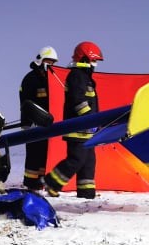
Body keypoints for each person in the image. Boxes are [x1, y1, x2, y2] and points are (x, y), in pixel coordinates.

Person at [44, 41, 103, 199]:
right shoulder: (77, 76)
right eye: (93, 60)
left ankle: (86, 194)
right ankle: (51, 183)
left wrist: (96, 122)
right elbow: (78, 101)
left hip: (88, 130)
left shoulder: (85, 77)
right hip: (78, 129)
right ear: (84, 59)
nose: (95, 64)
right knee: (77, 159)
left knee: (89, 162)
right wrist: (90, 119)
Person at [18, 46, 58, 191]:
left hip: (47, 124)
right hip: (32, 124)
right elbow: (26, 104)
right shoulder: (30, 79)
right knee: (34, 155)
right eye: (48, 61)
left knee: (43, 154)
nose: (51, 64)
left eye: (53, 62)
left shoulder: (51, 79)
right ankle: (30, 183)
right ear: (40, 60)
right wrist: (28, 123)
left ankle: (40, 182)